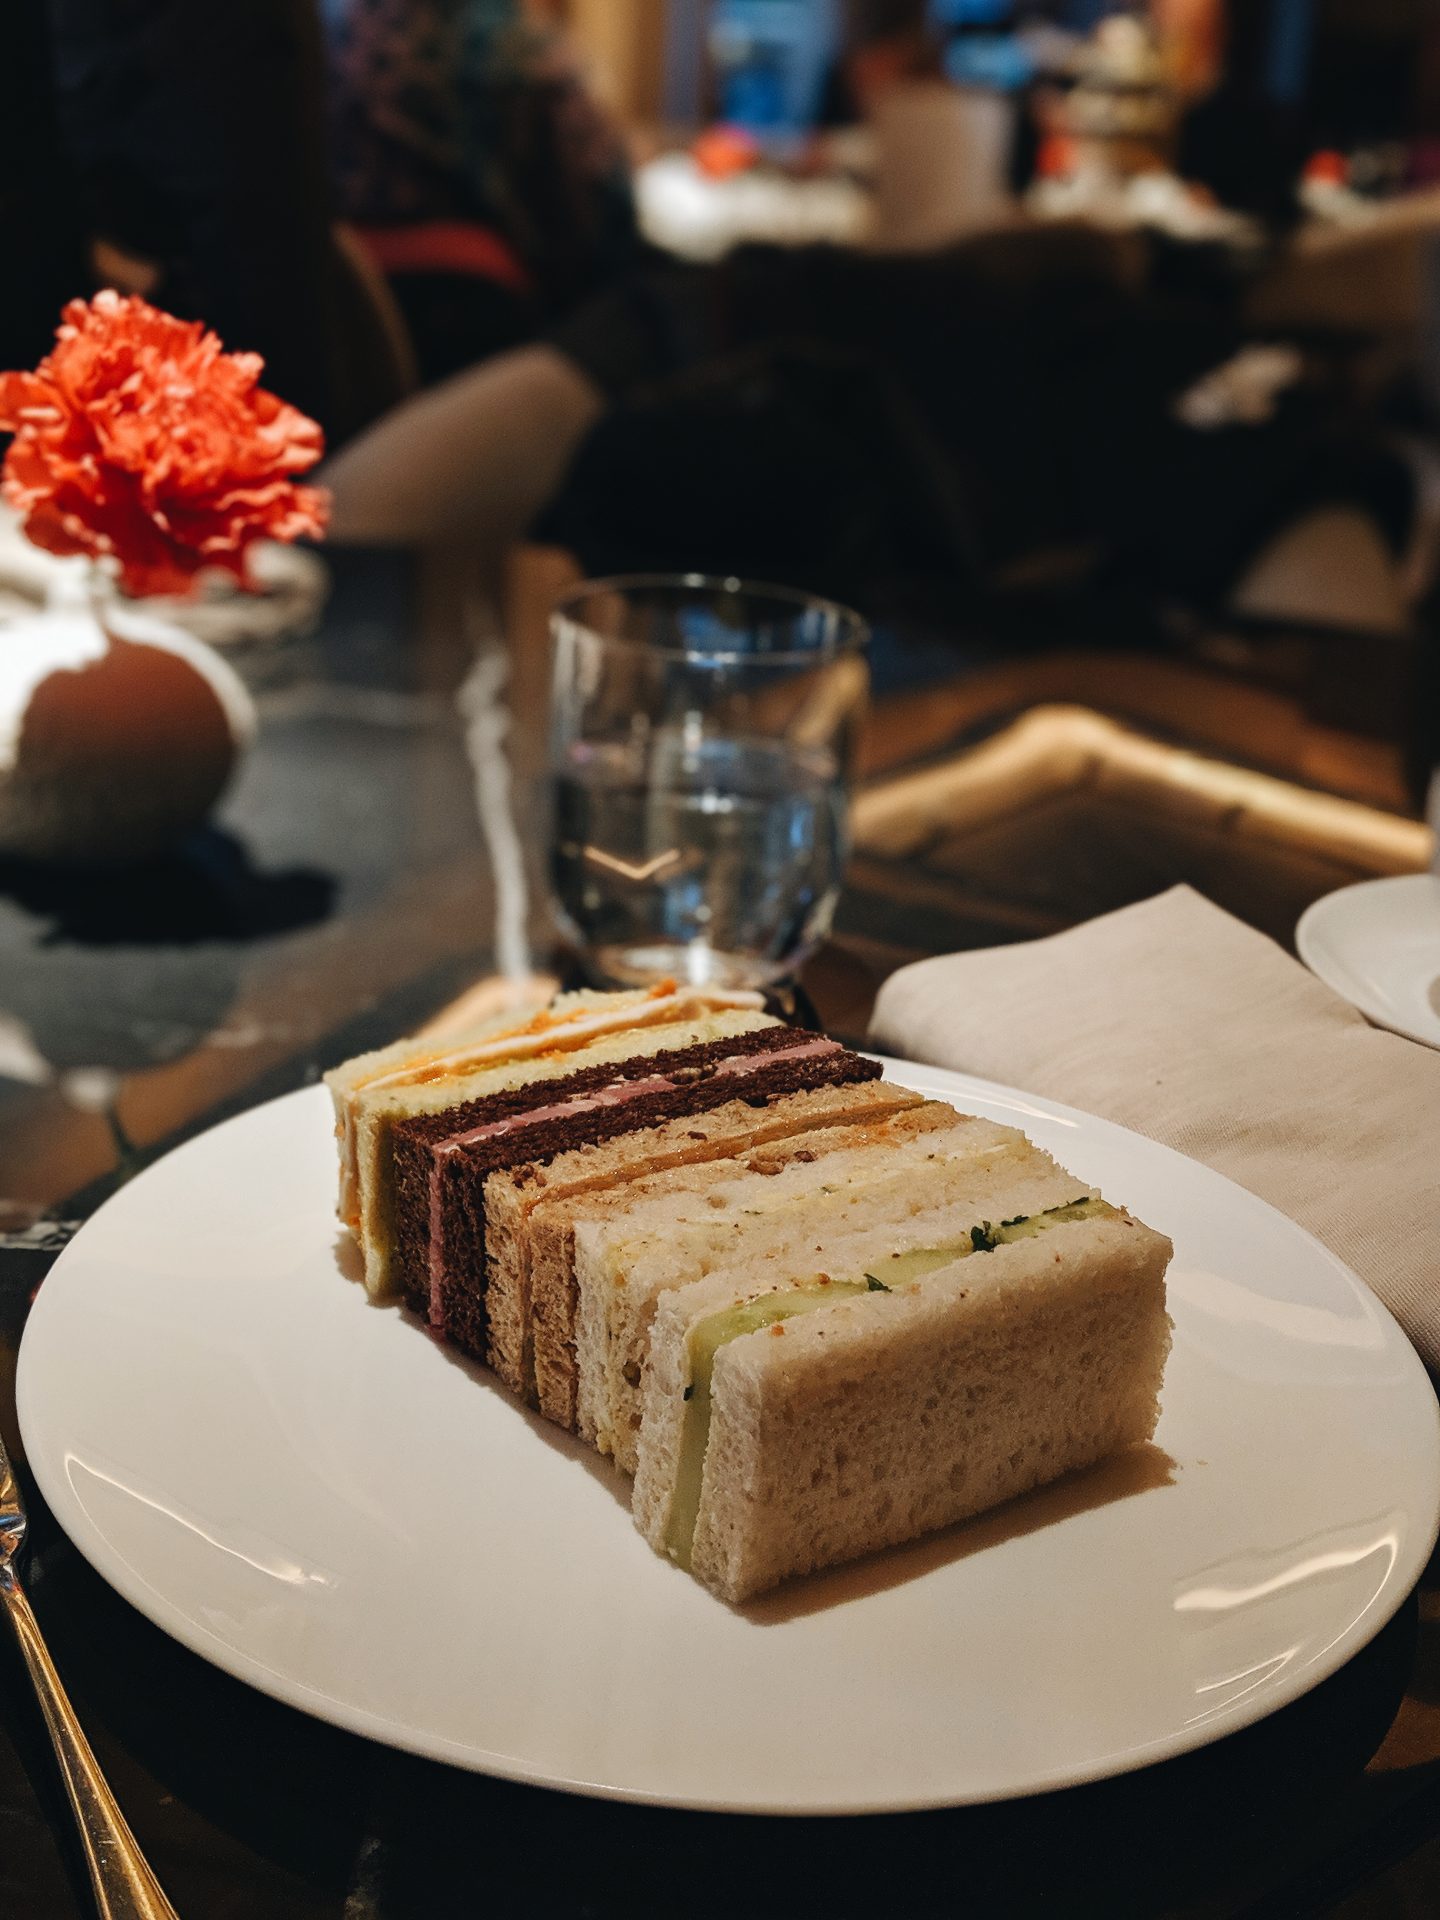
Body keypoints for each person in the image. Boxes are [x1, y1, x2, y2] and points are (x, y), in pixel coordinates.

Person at [321, 0, 643, 384]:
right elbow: (606, 214)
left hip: (334, 330)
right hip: (485, 341)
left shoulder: (323, 33)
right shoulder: (519, 49)